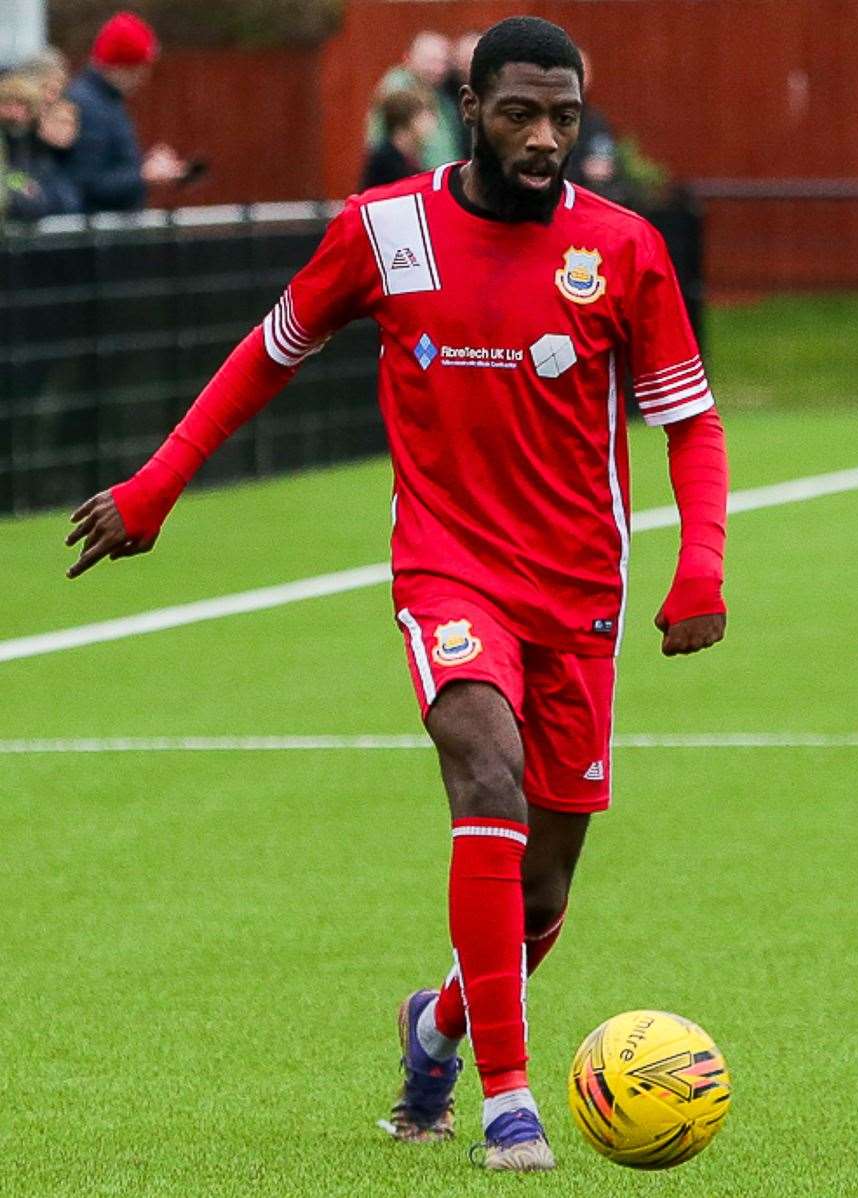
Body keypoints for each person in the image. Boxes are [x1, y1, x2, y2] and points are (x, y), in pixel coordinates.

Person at [63, 16, 729, 1174]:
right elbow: (267, 350)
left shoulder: (624, 249)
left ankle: (440, 1027)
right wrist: (158, 487)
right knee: (486, 771)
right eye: (521, 112)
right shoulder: (384, 228)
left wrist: (700, 566)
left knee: (546, 887)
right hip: (448, 564)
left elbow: (691, 421)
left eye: (564, 116)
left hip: (580, 589)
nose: (545, 137)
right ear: (470, 109)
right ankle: (508, 1100)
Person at [63, 11, 188, 212]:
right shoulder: (89, 106)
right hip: (97, 235)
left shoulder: (105, 100)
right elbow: (86, 183)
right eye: (138, 69)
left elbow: (109, 166)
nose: (143, 78)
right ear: (121, 65)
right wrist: (144, 175)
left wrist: (144, 168)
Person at [368, 31, 465, 170]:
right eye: (431, 61)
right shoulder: (398, 88)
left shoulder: (442, 91)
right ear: (408, 57)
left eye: (443, 62)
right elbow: (379, 140)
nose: (439, 69)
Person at [0, 72, 80, 220]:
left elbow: (66, 200)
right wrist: (26, 190)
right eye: (7, 104)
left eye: (21, 105)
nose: (14, 113)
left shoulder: (38, 147)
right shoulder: (11, 146)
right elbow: (12, 178)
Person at [360, 87, 436, 190]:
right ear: (407, 121)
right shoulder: (384, 161)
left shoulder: (412, 158)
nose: (432, 122)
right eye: (424, 116)